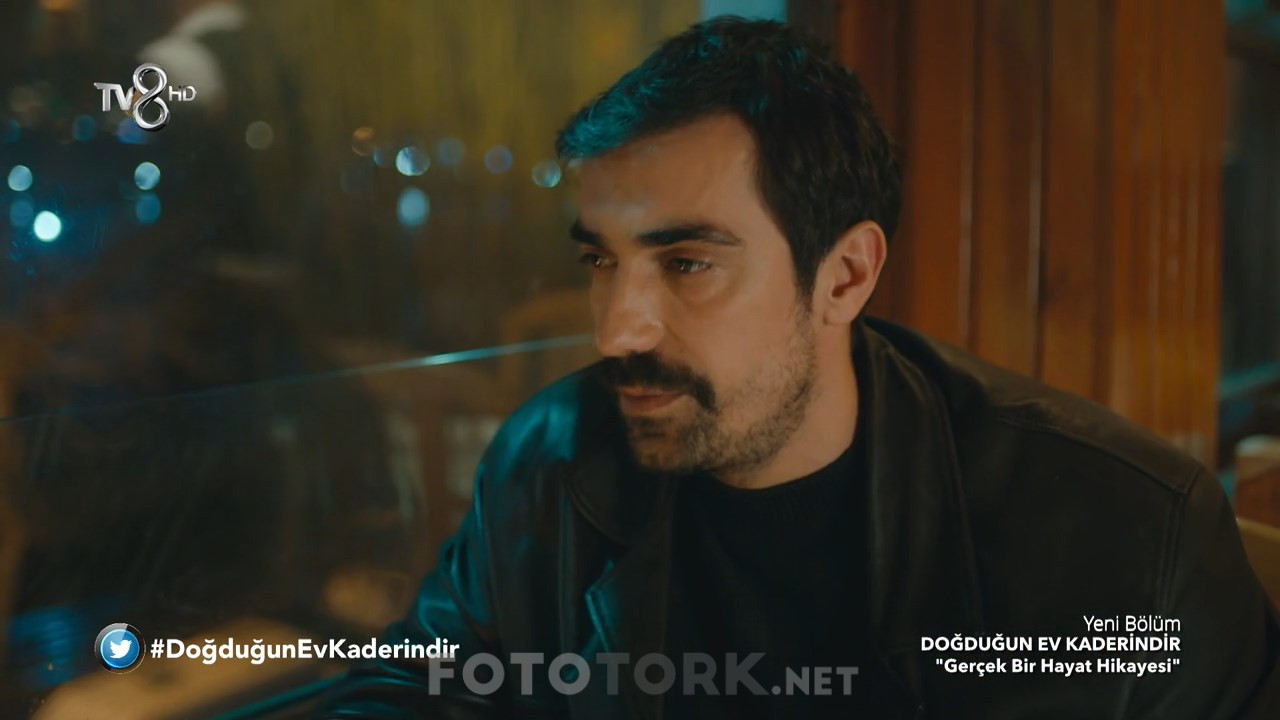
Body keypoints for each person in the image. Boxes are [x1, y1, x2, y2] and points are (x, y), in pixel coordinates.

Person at [316, 17, 1280, 718]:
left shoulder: (1124, 537)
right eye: (602, 261)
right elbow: (413, 686)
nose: (617, 330)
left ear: (845, 276)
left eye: (686, 263)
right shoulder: (553, 461)